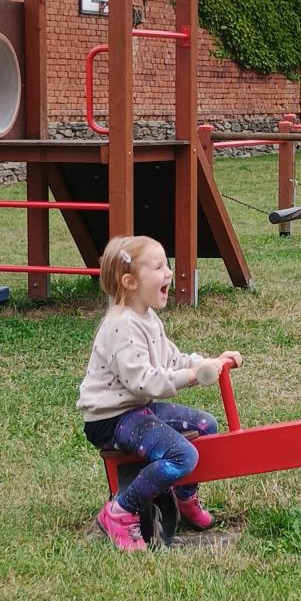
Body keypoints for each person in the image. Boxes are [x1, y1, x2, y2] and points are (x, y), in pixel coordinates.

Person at [78, 234, 242, 552]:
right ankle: (120, 512)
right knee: (183, 455)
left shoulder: (147, 318)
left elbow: (172, 359)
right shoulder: (121, 326)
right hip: (110, 418)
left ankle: (184, 497)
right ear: (130, 282)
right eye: (158, 267)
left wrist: (206, 363)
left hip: (135, 408)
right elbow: (144, 382)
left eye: (166, 265)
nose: (168, 273)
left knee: (206, 426)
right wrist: (192, 376)